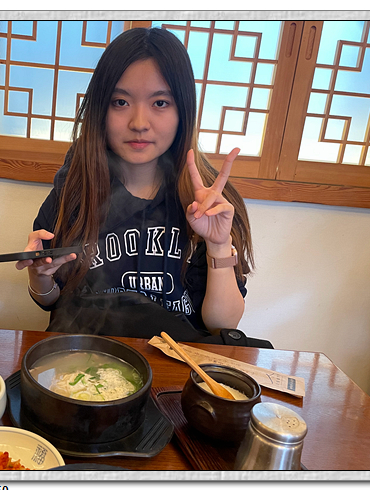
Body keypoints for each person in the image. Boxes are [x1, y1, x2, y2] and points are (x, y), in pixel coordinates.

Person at [15, 27, 256, 343]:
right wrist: (39, 277)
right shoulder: (74, 188)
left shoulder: (211, 202)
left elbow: (221, 325)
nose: (139, 123)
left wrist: (219, 244)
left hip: (176, 362)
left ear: (183, 111)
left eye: (160, 103)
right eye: (120, 102)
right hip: (87, 356)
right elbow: (52, 302)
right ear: (100, 110)